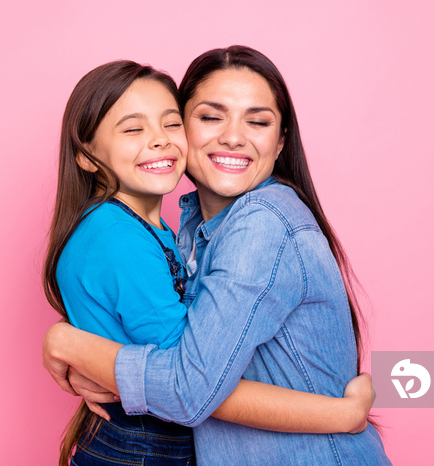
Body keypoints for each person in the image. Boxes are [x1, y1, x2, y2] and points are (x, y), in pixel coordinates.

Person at [43, 59, 378, 466]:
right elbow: (170, 343)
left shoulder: (261, 224)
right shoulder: (192, 228)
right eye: (210, 116)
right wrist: (86, 349)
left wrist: (72, 345)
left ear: (281, 142)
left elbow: (187, 387)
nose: (234, 137)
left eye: (258, 122)